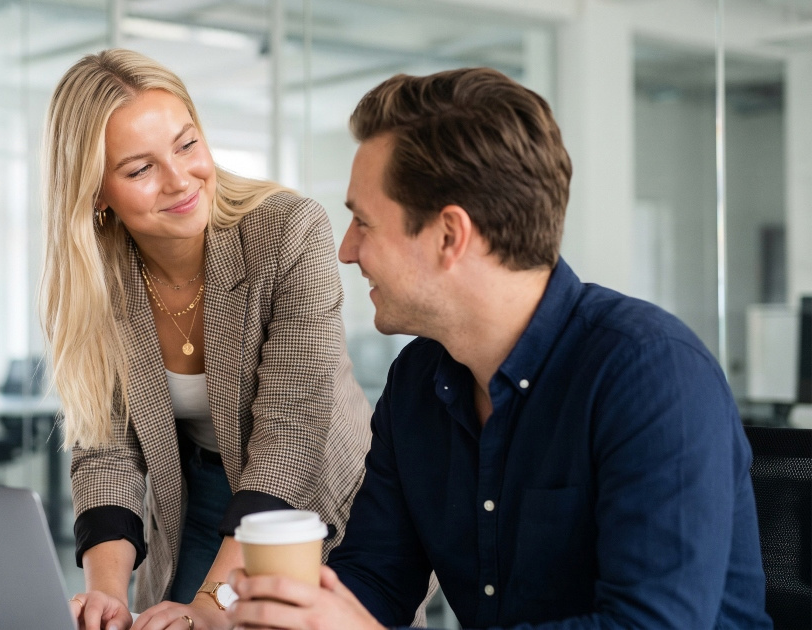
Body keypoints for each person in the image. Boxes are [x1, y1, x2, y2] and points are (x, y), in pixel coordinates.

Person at [227, 68, 771, 629]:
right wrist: (293, 612)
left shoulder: (652, 373)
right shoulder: (417, 380)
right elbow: (377, 575)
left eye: (363, 221)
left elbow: (651, 625)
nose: (346, 250)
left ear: (449, 236)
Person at [41, 49, 393, 630]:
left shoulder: (287, 230)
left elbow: (290, 439)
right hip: (194, 496)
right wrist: (107, 595)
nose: (181, 180)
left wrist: (209, 607)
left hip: (313, 498)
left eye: (186, 144)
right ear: (96, 194)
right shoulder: (93, 279)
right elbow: (104, 449)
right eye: (139, 169)